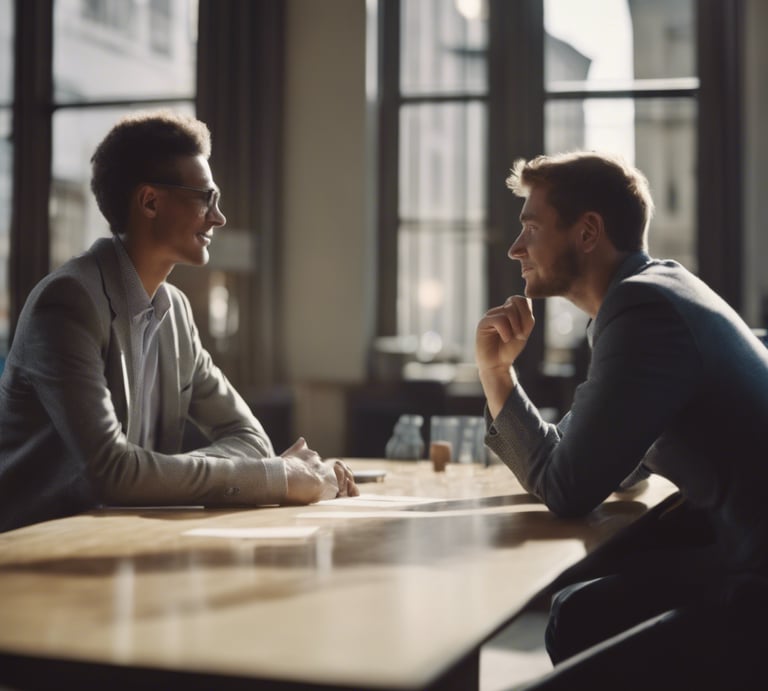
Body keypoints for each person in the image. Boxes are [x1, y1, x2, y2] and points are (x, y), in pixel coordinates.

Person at [475, 151, 768, 688]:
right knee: (580, 611)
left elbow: (566, 486)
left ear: (588, 233)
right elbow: (594, 455)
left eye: (532, 228)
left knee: (575, 617)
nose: (517, 248)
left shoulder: (642, 310)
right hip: (737, 554)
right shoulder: (657, 291)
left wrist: (495, 374)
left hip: (756, 587)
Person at [0, 110, 358, 534]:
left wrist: (155, 473)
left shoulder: (176, 310)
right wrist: (277, 476)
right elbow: (111, 473)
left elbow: (250, 438)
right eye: (206, 197)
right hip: (31, 549)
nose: (218, 217)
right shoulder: (67, 303)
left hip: (123, 539)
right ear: (150, 201)